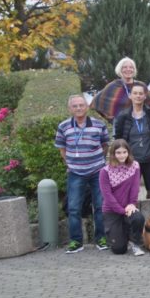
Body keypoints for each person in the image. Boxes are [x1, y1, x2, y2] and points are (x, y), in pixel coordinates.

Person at [57, 95, 111, 253]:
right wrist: (71, 164)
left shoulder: (99, 125)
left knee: (100, 206)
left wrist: (98, 161)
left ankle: (101, 238)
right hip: (75, 172)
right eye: (75, 106)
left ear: (87, 107)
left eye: (81, 105)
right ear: (70, 109)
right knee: (74, 208)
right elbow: (62, 149)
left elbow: (105, 145)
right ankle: (76, 242)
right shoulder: (63, 126)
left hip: (97, 171)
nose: (79, 108)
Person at [113, 83, 150, 214]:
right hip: (130, 161)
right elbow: (118, 139)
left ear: (145, 96)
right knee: (129, 194)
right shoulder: (122, 116)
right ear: (130, 96)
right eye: (135, 93)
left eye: (141, 93)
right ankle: (128, 227)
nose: (138, 96)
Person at [99, 139, 146, 256]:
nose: (122, 155)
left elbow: (135, 188)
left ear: (128, 152)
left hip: (128, 207)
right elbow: (107, 196)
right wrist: (122, 210)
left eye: (124, 152)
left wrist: (132, 204)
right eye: (118, 152)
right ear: (113, 154)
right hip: (112, 211)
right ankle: (122, 236)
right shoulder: (104, 171)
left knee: (138, 218)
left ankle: (135, 243)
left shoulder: (135, 166)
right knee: (119, 250)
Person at [91, 57, 149, 121]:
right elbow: (95, 102)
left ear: (134, 69)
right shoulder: (113, 86)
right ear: (120, 69)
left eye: (131, 67)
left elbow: (149, 106)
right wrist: (108, 118)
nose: (128, 69)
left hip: (141, 124)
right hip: (120, 126)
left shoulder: (141, 86)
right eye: (125, 67)